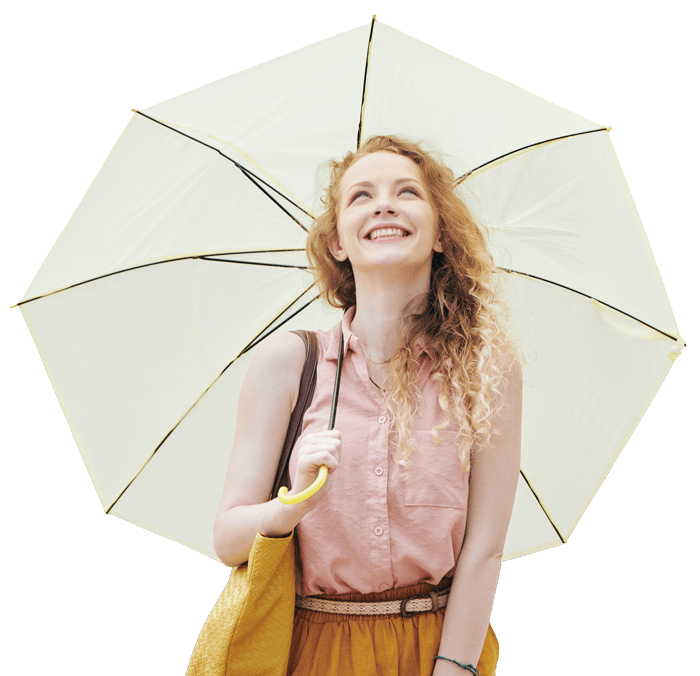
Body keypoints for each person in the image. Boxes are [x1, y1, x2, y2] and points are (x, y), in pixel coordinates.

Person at [213, 135, 524, 676]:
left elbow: (485, 550)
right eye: (361, 195)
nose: (384, 203)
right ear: (337, 243)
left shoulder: (488, 371)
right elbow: (228, 539)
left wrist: (455, 668)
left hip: (443, 647)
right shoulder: (287, 363)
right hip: (310, 648)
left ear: (442, 235)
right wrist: (292, 503)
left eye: (407, 192)